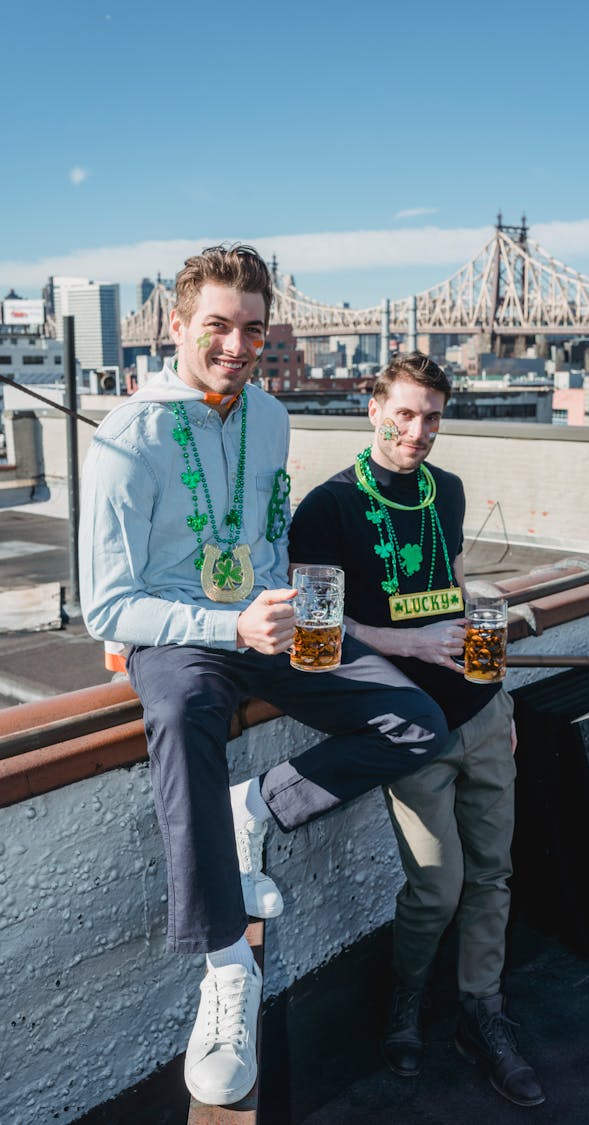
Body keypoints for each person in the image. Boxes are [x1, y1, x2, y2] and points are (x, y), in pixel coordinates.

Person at [79, 248, 450, 1108]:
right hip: (174, 631)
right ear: (177, 326)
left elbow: (270, 533)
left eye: (253, 327)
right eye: (218, 324)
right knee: (179, 711)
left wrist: (288, 604)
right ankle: (223, 969)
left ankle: (255, 807)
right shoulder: (125, 439)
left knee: (415, 720)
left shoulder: (274, 419)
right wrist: (226, 623)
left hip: (266, 620)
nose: (237, 344)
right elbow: (107, 608)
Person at [289, 352, 545, 1107]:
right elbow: (317, 634)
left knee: (494, 873)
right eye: (403, 413)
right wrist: (410, 643)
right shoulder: (324, 508)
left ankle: (481, 1013)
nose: (418, 430)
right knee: (437, 887)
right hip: (408, 723)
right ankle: (405, 1002)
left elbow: (458, 587)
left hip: (482, 709)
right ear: (372, 409)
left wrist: (500, 691)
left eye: (431, 416)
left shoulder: (451, 490)